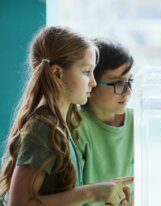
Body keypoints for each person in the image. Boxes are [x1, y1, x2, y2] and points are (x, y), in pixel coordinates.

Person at [0, 26, 132, 206]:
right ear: (57, 73)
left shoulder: (60, 124)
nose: (93, 82)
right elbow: (18, 203)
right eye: (86, 72)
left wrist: (103, 190)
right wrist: (91, 194)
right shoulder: (42, 128)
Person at [77, 38, 134, 206]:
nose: (127, 91)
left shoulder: (135, 122)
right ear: (92, 83)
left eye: (129, 81)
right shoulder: (76, 125)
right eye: (118, 83)